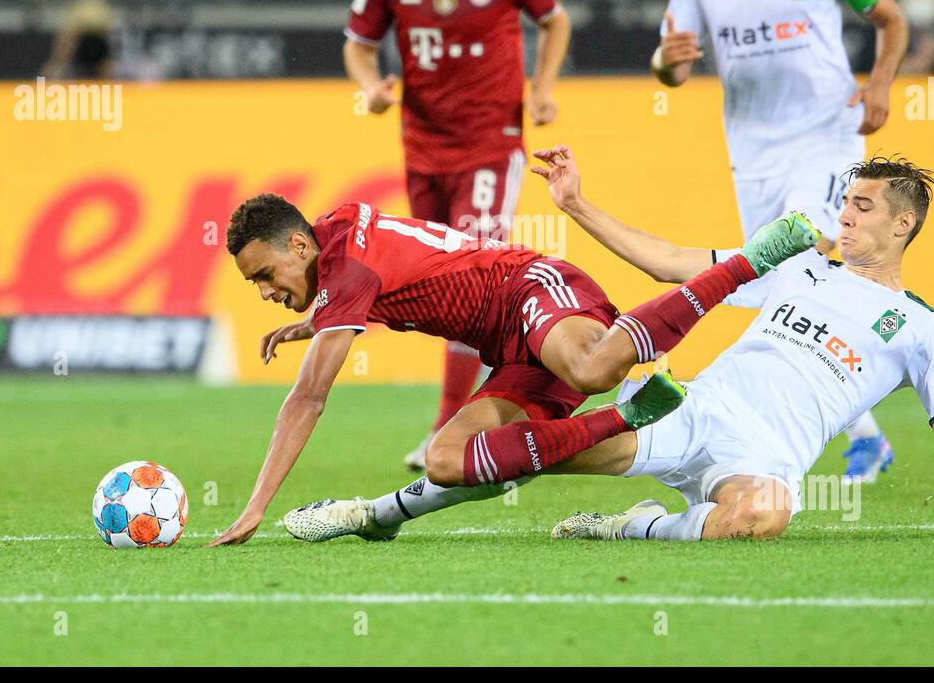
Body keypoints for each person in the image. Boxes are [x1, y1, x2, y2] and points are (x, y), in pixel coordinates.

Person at [284, 146, 934, 544]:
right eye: (846, 202)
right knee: (532, 447)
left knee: (763, 519)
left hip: (763, 459)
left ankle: (639, 528)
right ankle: (376, 514)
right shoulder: (799, 261)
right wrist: (576, 206)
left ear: (903, 226)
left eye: (864, 207)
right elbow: (667, 261)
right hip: (686, 413)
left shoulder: (924, 329)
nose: (845, 216)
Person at [208, 192, 819, 545]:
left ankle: (748, 261)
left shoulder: (347, 273)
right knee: (450, 460)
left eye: (264, 275)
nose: (263, 290)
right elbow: (390, 269)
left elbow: (308, 398)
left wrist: (256, 505)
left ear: (297, 246)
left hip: (530, 287)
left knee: (589, 368)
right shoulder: (334, 235)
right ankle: (628, 419)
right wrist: (315, 320)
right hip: (511, 351)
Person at [652, 0, 910, 483]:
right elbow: (674, 66)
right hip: (752, 152)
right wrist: (665, 62)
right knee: (778, 283)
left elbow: (890, 17)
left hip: (824, 137)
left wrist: (880, 82)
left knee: (794, 262)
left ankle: (756, 407)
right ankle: (870, 422)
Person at [341, 0, 572, 471]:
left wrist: (543, 90)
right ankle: (504, 405)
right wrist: (371, 87)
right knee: (442, 288)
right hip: (424, 153)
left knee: (471, 277)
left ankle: (453, 426)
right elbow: (358, 44)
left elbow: (555, 22)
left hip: (492, 149)